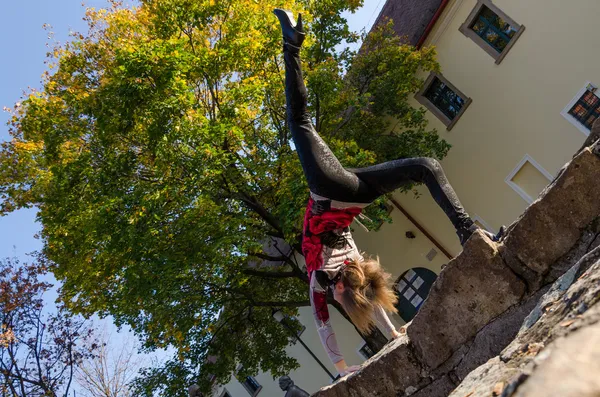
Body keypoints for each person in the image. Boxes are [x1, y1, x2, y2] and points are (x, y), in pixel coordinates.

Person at [273, 9, 499, 377]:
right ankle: (290, 47)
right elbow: (328, 324)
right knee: (302, 123)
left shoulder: (339, 273)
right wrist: (354, 358)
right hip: (337, 192)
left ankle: (468, 232)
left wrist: (359, 356)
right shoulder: (334, 275)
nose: (342, 306)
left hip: (350, 193)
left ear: (349, 289)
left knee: (423, 164)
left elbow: (339, 316)